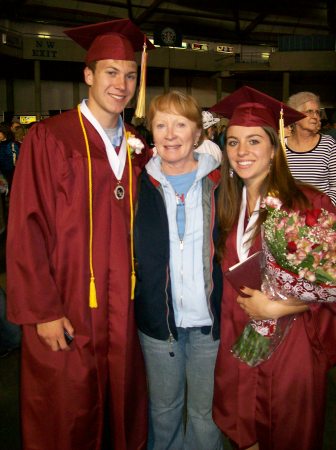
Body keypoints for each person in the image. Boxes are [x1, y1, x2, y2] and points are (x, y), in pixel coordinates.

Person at [6, 19, 155, 450]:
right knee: (66, 409)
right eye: (111, 72)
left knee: (119, 403)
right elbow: (25, 229)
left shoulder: (136, 145)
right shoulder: (49, 138)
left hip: (121, 308)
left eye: (130, 75)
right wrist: (43, 310)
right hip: (67, 302)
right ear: (88, 75)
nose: (122, 84)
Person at [210, 86, 336, 450]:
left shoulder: (309, 203)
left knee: (288, 432)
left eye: (253, 141)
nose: (242, 152)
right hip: (241, 340)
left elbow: (328, 282)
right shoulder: (226, 206)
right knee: (245, 432)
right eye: (232, 142)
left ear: (273, 145)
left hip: (292, 342)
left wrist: (281, 306)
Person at [134, 91, 223, 450]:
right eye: (161, 124)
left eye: (181, 124)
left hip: (209, 324)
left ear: (197, 133)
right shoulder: (139, 184)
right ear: (151, 133)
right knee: (164, 410)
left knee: (206, 414)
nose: (171, 133)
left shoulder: (222, 183)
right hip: (159, 321)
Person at [285, 91, 336, 205]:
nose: (315, 116)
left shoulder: (328, 144)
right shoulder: (282, 146)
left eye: (317, 112)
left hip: (321, 216)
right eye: (309, 111)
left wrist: (322, 211)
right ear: (295, 116)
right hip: (288, 216)